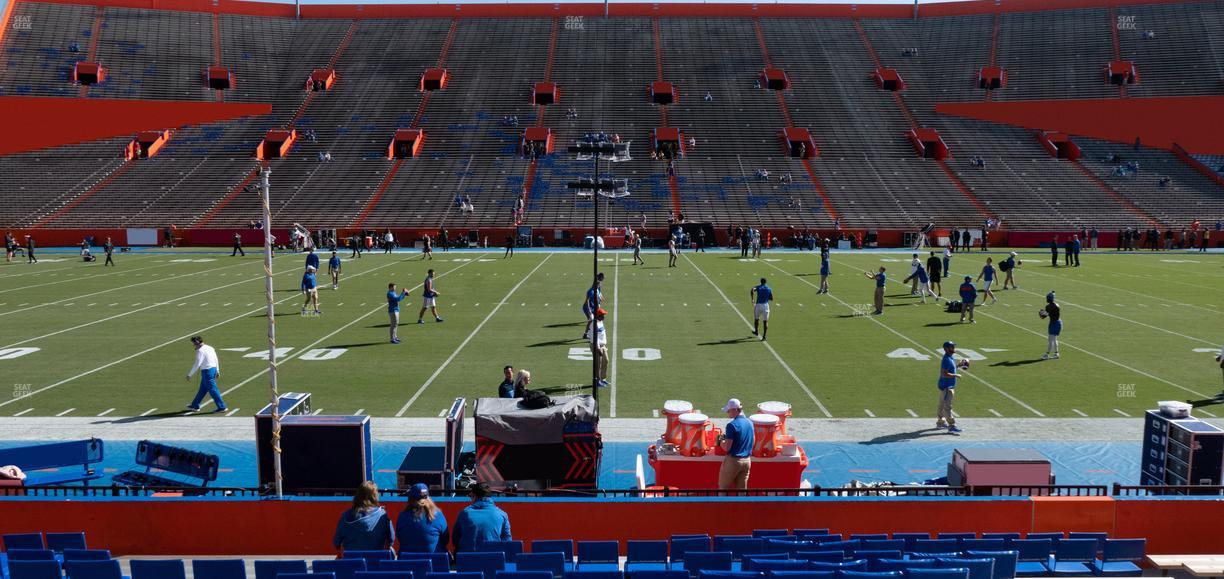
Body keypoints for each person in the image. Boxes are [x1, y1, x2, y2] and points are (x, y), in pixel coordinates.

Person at [333, 481, 395, 552]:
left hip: (352, 561)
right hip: (375, 560)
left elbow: (336, 542)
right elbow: (391, 539)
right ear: (375, 496)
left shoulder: (345, 516)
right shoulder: (382, 515)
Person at [452, 482, 511, 553]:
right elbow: (507, 542)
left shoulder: (464, 513)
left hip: (467, 560)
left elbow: (455, 540)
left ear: (475, 496)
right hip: (493, 560)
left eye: (471, 496)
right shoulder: (502, 514)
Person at [396, 483, 449, 554]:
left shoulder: (402, 516)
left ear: (410, 499)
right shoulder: (438, 515)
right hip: (434, 563)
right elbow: (445, 540)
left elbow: (400, 538)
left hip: (407, 563)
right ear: (428, 497)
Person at [718, 398, 754, 490]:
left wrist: (720, 442)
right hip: (747, 461)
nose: (728, 413)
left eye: (729, 411)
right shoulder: (750, 422)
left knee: (723, 489)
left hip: (734, 461)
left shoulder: (732, 425)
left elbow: (727, 448)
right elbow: (753, 441)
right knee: (742, 491)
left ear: (735, 410)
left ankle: (722, 505)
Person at [185, 336, 227, 412]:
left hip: (207, 372)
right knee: (202, 390)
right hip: (213, 369)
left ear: (197, 342)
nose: (193, 345)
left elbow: (197, 364)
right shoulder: (210, 348)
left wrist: (190, 374)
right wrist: (217, 370)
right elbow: (216, 359)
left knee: (213, 390)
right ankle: (195, 405)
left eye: (194, 343)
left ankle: (222, 407)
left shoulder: (200, 351)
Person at [936, 341, 963, 433]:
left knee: (942, 404)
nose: (954, 348)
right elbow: (944, 374)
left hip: (945, 385)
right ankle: (951, 425)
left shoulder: (949, 358)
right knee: (947, 406)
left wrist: (958, 366)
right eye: (952, 347)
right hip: (947, 386)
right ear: (946, 349)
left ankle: (940, 422)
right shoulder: (947, 359)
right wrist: (956, 375)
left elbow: (950, 369)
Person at [1041, 291, 1062, 360]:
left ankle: (1047, 354)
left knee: (1050, 340)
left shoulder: (1048, 307)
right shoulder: (1057, 304)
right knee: (1054, 339)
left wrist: (1041, 313)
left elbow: (1043, 317)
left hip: (1053, 323)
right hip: (1059, 322)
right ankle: (1056, 353)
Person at [582, 273, 604, 339]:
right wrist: (589, 311)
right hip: (587, 308)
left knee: (594, 320)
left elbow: (598, 296)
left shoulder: (597, 289)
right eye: (599, 284)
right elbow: (587, 302)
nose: (600, 285)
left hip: (593, 307)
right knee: (591, 320)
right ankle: (586, 334)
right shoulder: (591, 291)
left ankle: (589, 333)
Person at [592, 308, 609, 388]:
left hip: (603, 346)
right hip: (597, 346)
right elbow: (594, 337)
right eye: (602, 315)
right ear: (598, 316)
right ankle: (597, 381)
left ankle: (603, 379)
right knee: (598, 364)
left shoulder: (601, 322)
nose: (603, 317)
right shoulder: (594, 324)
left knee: (606, 361)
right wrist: (598, 348)